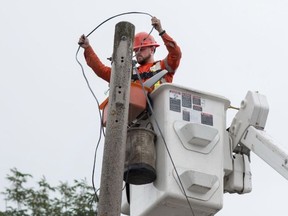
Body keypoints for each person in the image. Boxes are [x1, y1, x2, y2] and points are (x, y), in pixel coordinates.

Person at [78, 17, 181, 88]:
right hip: (135, 116)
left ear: (152, 49)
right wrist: (87, 48)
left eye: (142, 49)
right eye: (136, 50)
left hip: (158, 113)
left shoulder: (163, 66)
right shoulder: (128, 73)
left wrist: (161, 31)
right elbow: (101, 70)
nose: (138, 52)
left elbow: (176, 54)